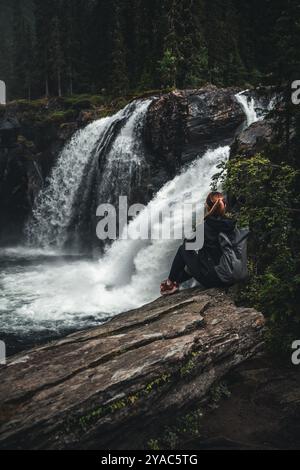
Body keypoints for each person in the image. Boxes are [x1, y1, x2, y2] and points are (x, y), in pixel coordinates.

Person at [160, 192, 236, 295]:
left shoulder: (206, 226)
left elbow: (188, 245)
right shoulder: (231, 225)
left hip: (215, 279)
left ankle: (170, 283)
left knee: (183, 249)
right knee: (196, 262)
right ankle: (174, 282)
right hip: (231, 274)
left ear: (207, 207)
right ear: (224, 206)